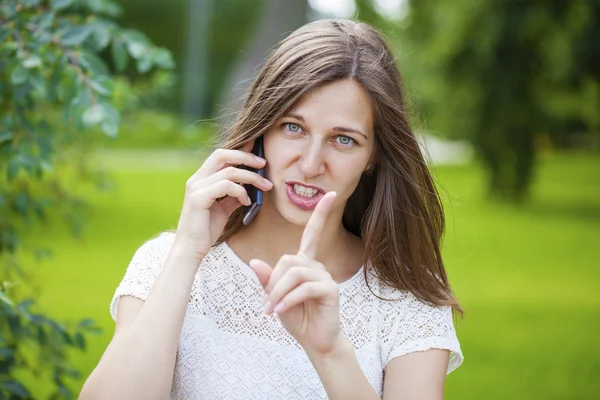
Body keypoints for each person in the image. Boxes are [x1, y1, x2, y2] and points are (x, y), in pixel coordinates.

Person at [80, 18, 464, 400]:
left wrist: (330, 354)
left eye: (343, 139)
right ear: (263, 129)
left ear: (372, 156)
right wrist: (186, 252)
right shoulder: (165, 262)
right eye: (293, 128)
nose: (312, 164)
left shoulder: (405, 298)